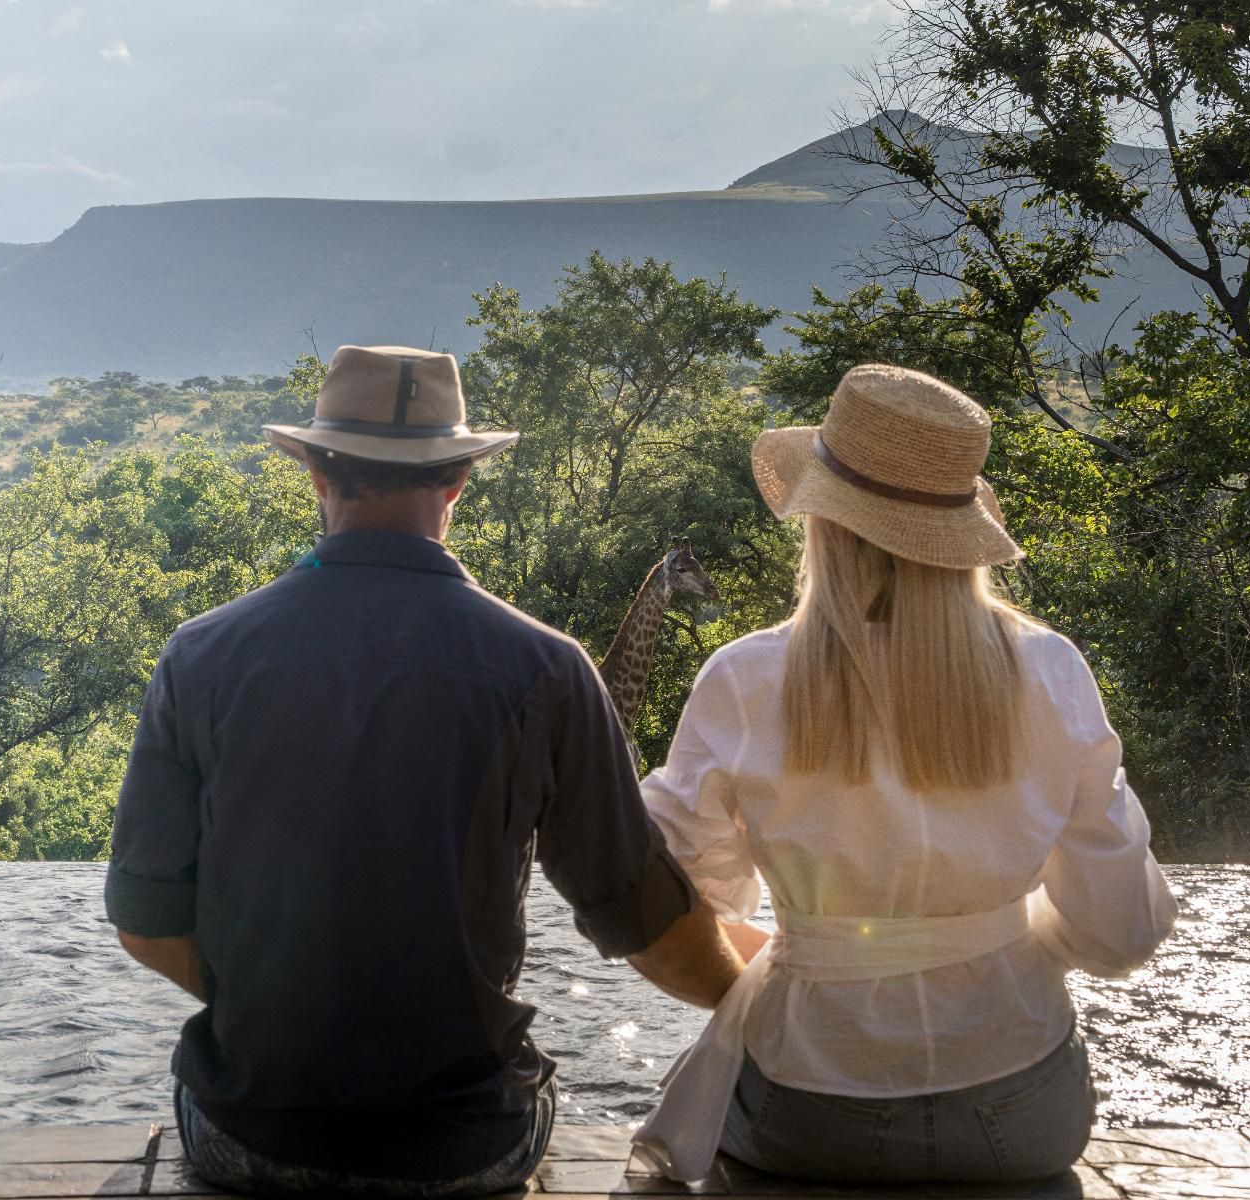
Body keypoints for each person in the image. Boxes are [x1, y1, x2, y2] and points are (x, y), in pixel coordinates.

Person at [103, 344, 742, 1198]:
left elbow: (146, 922)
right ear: (458, 481)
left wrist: (276, 995)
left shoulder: (201, 656)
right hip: (465, 1147)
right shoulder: (549, 668)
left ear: (317, 472)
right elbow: (648, 926)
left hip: (247, 1135)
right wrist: (767, 1010)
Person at [632, 364, 1177, 1185]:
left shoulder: (745, 680)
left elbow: (677, 898)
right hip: (1023, 1110)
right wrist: (1004, 935)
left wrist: (809, 960)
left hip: (809, 1109)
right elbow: (1121, 933)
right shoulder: (1052, 672)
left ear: (823, 519)